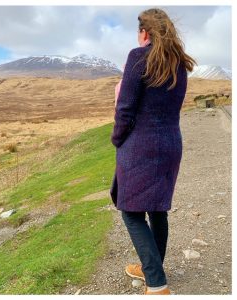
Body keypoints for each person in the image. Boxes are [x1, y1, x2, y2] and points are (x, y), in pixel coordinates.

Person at [110, 8, 197, 295]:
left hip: (140, 147)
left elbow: (125, 110)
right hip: (171, 144)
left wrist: (117, 138)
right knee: (158, 209)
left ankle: (157, 284)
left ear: (144, 32)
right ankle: (153, 266)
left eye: (138, 31)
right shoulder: (179, 64)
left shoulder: (138, 57)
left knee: (131, 211)